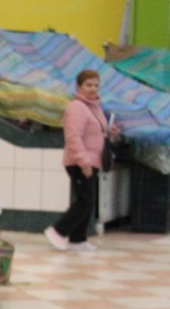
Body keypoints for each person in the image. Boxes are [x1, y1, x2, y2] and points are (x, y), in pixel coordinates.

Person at [44, 68, 120, 253]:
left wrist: (109, 133)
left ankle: (78, 240)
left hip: (93, 161)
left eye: (95, 85)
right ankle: (58, 231)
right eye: (88, 85)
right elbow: (73, 137)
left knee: (88, 201)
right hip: (79, 162)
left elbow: (96, 131)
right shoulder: (76, 108)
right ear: (78, 86)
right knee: (84, 201)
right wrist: (83, 162)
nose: (93, 89)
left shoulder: (94, 107)